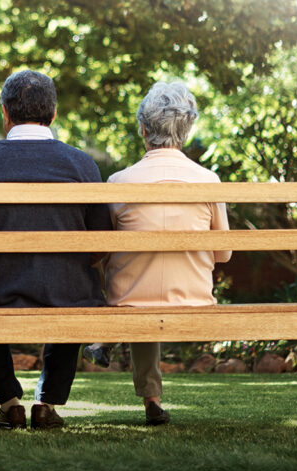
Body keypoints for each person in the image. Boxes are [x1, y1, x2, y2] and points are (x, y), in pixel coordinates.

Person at [0, 70, 112, 430]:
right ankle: (46, 403)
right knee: (74, 290)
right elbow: (102, 239)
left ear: (5, 112)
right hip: (68, 294)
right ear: (54, 114)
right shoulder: (82, 164)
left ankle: (9, 401)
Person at [103, 81, 231, 425]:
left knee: (138, 293)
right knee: (147, 293)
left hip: (128, 301)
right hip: (193, 298)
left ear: (143, 129)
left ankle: (145, 389)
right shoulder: (208, 180)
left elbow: (102, 251)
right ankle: (152, 399)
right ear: (186, 130)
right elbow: (224, 254)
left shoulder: (119, 182)